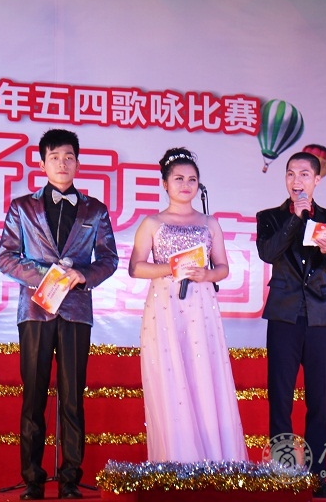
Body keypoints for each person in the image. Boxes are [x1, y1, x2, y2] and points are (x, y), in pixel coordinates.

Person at [0, 129, 119, 500]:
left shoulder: (95, 209)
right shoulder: (22, 207)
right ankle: (33, 479)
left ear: (77, 163)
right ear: (41, 163)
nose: (62, 164)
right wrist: (44, 275)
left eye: (68, 157)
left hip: (77, 311)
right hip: (36, 310)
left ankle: (69, 480)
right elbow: (5, 257)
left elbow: (109, 259)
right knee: (33, 395)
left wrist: (83, 275)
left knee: (72, 398)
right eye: (54, 157)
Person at [128, 147, 247, 462]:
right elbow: (135, 268)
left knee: (204, 374)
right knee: (171, 377)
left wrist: (207, 274)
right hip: (164, 307)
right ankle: (177, 460)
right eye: (178, 178)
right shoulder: (152, 222)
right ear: (164, 184)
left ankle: (213, 459)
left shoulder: (210, 223)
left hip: (201, 305)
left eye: (192, 179)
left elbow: (223, 268)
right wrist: (171, 268)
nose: (185, 184)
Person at [256, 151, 326, 499]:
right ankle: (284, 475)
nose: (296, 181)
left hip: (320, 317)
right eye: (290, 174)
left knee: (319, 401)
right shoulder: (270, 217)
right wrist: (296, 218)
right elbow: (268, 253)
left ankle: (317, 478)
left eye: (304, 174)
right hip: (283, 316)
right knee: (280, 399)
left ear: (317, 180)